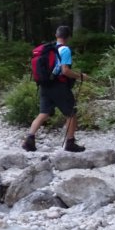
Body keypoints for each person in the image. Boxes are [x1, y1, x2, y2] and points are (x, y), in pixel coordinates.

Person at [21, 25, 87, 153]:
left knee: (44, 113)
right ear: (68, 37)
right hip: (58, 86)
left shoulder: (49, 49)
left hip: (44, 85)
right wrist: (80, 76)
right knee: (71, 113)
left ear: (56, 35)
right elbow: (65, 70)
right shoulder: (65, 50)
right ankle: (70, 143)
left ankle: (29, 140)